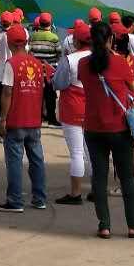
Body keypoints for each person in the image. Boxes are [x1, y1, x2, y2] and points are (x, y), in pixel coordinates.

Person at [78, 19, 134, 240]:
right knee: (127, 178)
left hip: (93, 127)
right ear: (111, 39)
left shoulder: (83, 64)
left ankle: (104, 225)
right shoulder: (119, 63)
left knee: (99, 177)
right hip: (119, 128)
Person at [0, 24, 50, 211]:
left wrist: (2, 119)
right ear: (26, 42)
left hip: (16, 120)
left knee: (14, 161)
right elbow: (41, 91)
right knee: (37, 160)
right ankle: (40, 198)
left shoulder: (11, 64)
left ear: (10, 43)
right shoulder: (36, 63)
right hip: (33, 120)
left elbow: (7, 92)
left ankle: (15, 200)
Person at [52, 20, 92, 203]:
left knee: (77, 152)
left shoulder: (69, 60)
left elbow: (58, 83)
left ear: (75, 40)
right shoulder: (100, 57)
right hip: (93, 108)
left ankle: (76, 193)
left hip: (72, 108)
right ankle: (96, 189)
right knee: (91, 151)